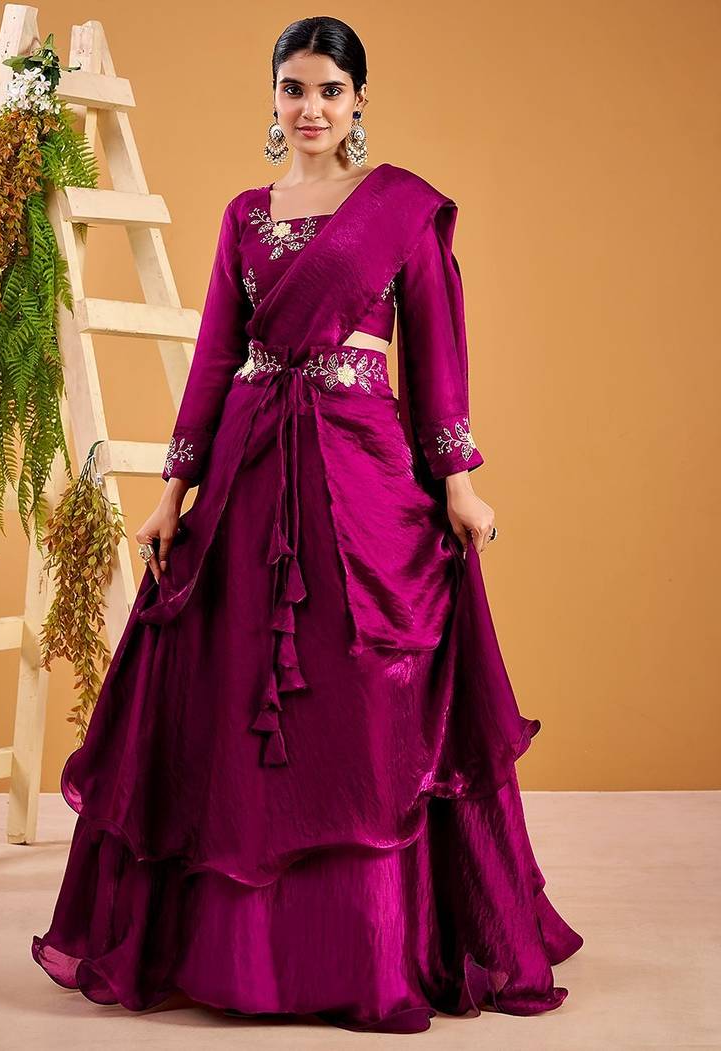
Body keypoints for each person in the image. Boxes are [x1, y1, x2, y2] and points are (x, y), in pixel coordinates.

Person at [31, 15, 583, 1035]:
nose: (311, 108)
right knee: (235, 689)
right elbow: (214, 356)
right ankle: (236, 954)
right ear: (273, 98)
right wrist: (172, 491)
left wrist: (458, 482)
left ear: (358, 100)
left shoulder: (403, 211)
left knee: (360, 696)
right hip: (249, 470)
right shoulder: (245, 216)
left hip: (360, 473)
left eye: (330, 90)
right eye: (294, 89)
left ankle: (367, 946)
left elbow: (437, 357)